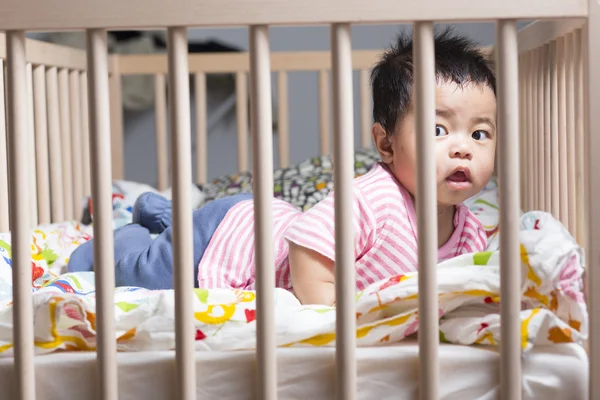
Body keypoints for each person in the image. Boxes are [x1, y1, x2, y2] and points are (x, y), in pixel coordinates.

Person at [68, 27, 496, 306]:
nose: (463, 150)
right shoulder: (373, 200)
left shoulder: (468, 232)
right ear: (385, 143)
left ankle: (163, 214)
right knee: (141, 273)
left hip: (256, 218)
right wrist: (328, 317)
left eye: (479, 134)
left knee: (179, 231)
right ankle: (126, 235)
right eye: (439, 130)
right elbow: (307, 251)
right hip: (225, 241)